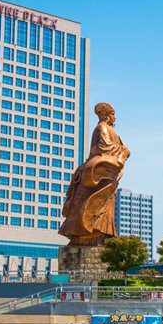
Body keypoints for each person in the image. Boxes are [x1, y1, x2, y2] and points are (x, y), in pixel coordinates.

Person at [59, 102, 130, 246]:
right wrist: (124, 151)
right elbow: (104, 148)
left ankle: (98, 235)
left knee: (104, 205)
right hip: (98, 172)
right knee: (87, 203)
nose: (114, 117)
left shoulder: (111, 131)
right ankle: (85, 235)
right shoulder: (102, 128)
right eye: (112, 114)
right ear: (106, 115)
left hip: (107, 174)